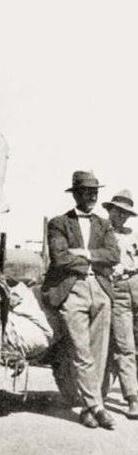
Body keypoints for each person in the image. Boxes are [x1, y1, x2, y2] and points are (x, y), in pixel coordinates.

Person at [42, 170, 120, 429]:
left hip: (100, 289)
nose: (92, 196)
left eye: (95, 192)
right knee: (80, 350)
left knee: (99, 352)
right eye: (87, 191)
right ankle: (98, 407)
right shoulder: (58, 223)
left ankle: (88, 408)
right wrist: (93, 257)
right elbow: (59, 258)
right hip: (72, 290)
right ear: (75, 194)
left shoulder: (103, 224)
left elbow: (114, 256)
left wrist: (83, 252)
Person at [102, 190, 138, 418]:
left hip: (136, 284)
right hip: (117, 289)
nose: (122, 217)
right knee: (125, 346)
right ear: (110, 210)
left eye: (126, 213)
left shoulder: (133, 235)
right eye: (119, 212)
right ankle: (132, 398)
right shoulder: (102, 233)